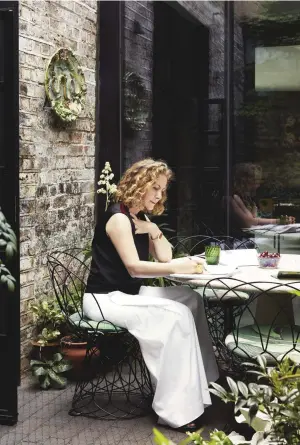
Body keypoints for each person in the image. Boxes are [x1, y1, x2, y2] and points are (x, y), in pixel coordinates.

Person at [83, 158, 219, 431]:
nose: (159, 195)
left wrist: (154, 230)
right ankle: (176, 411)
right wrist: (176, 265)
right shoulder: (119, 218)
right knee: (177, 314)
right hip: (105, 298)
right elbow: (135, 268)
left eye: (162, 189)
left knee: (190, 299)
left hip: (127, 295)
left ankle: (203, 382)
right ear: (139, 185)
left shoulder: (140, 218)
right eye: (154, 188)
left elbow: (165, 255)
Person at [231, 162, 295, 229]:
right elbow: (249, 223)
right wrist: (278, 221)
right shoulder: (231, 199)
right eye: (255, 181)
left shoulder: (247, 199)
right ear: (243, 181)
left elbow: (255, 219)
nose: (258, 185)